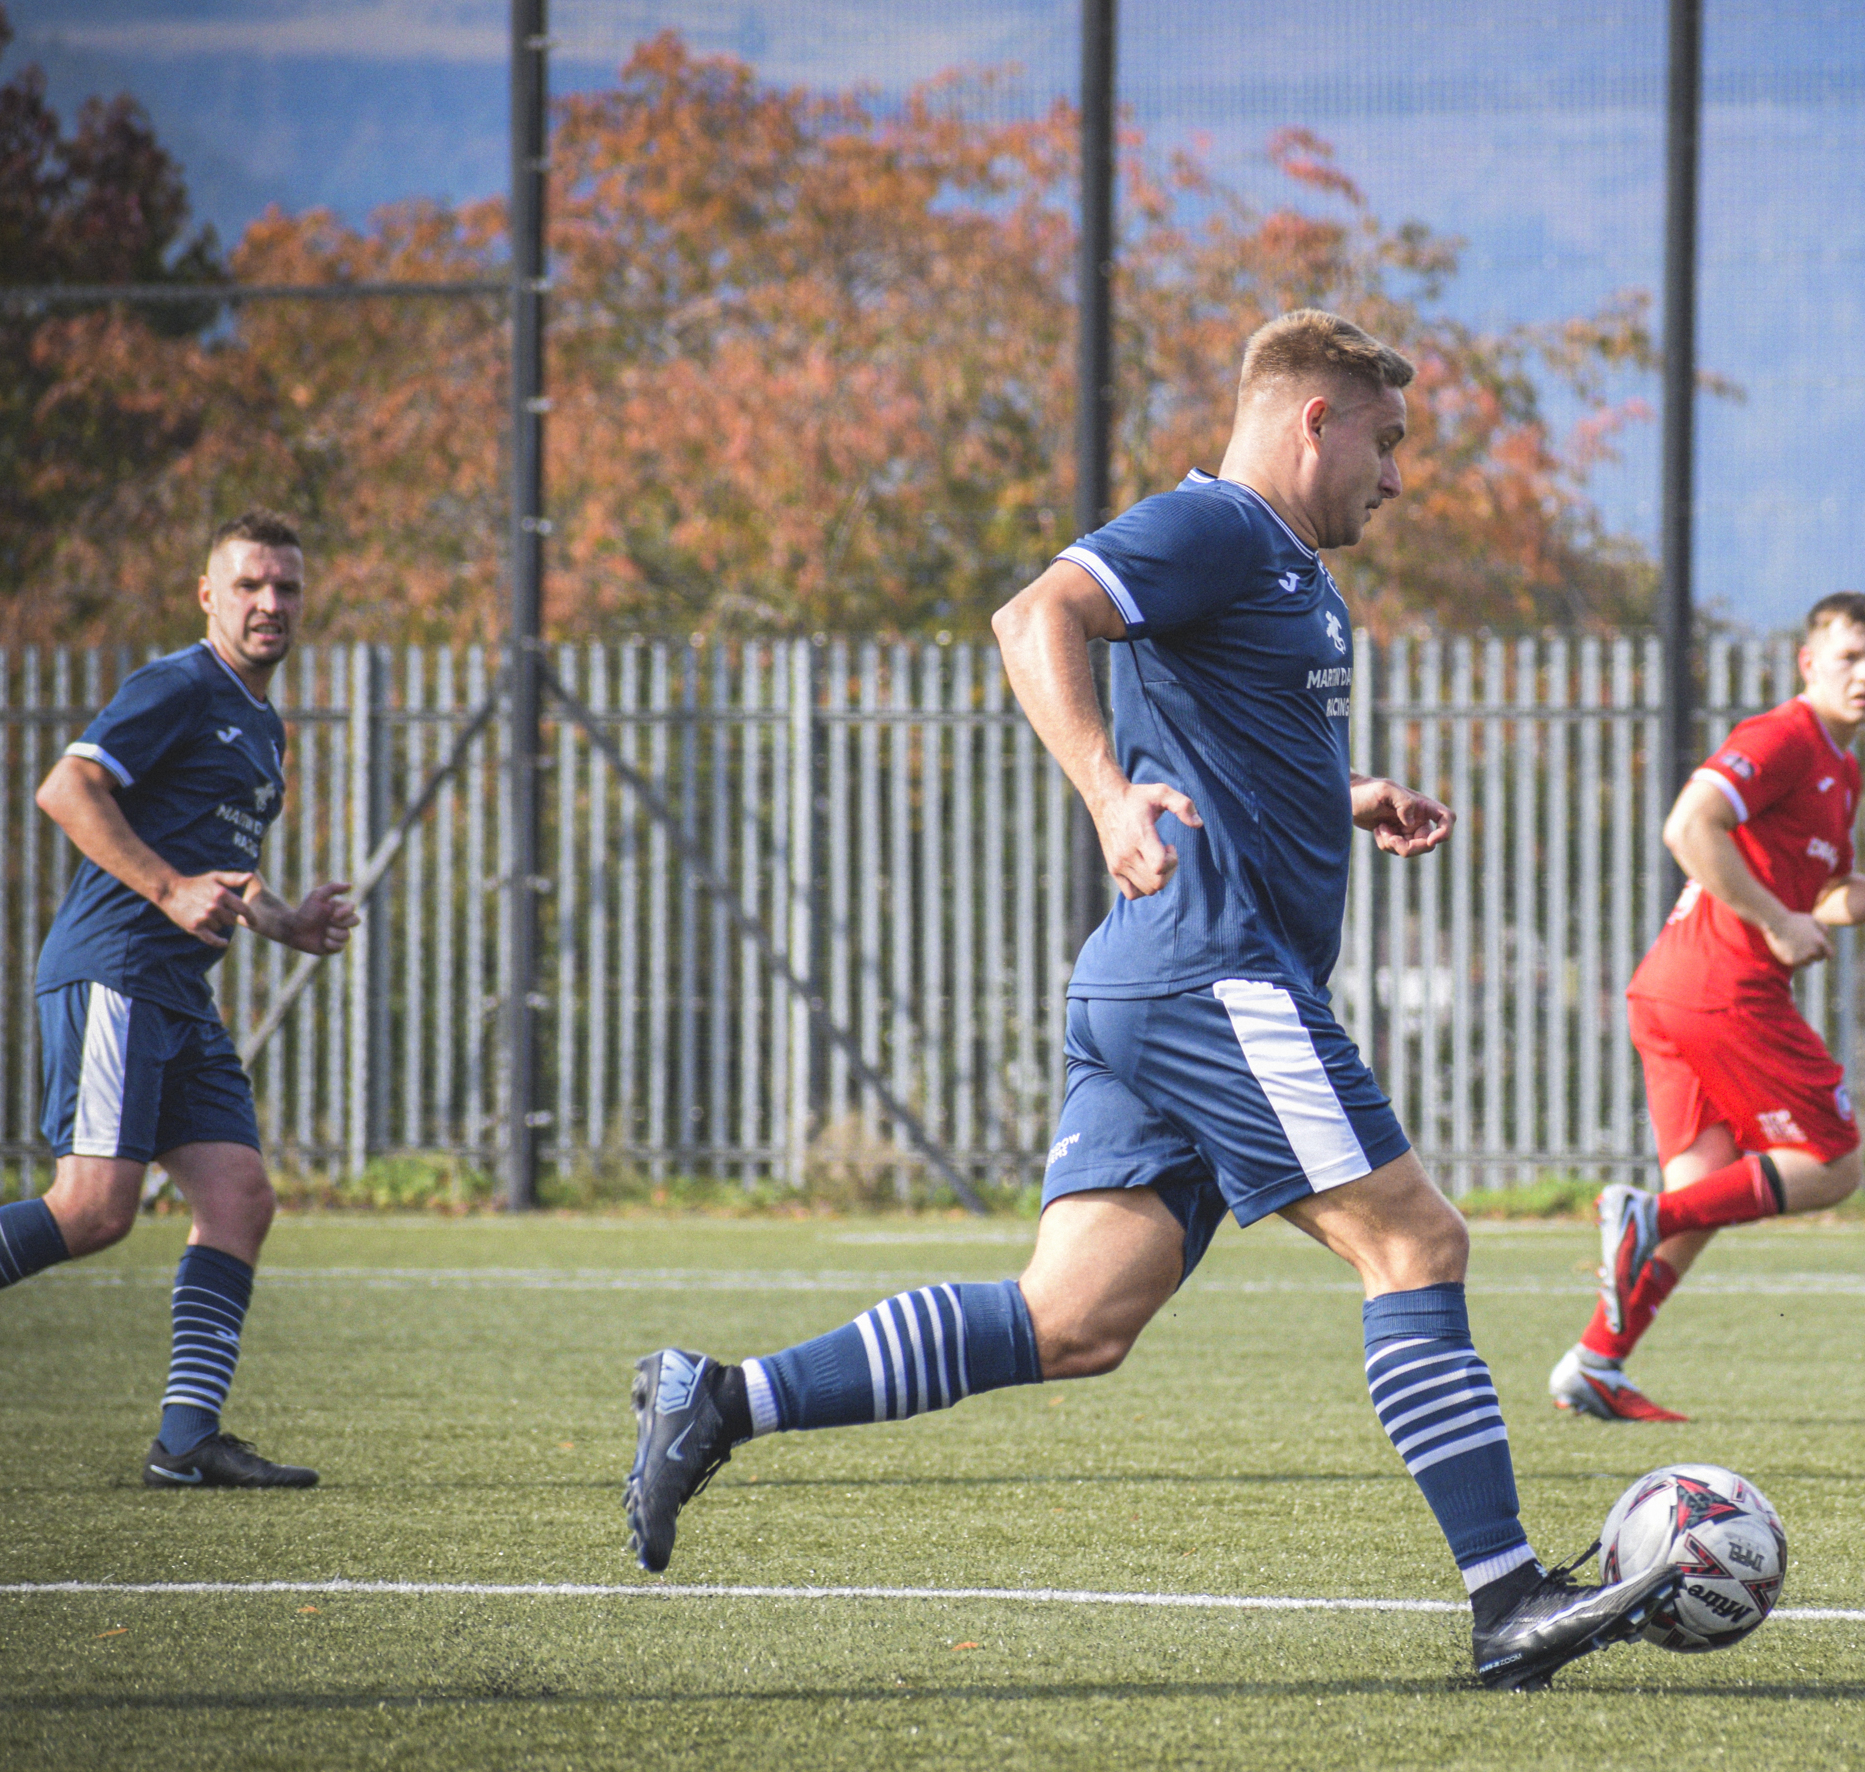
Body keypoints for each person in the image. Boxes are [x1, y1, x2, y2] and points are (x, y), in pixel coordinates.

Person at [619, 311, 1683, 1690]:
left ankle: (720, 1395)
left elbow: (1219, 725)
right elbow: (1034, 615)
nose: (1397, 477)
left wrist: (1340, 797)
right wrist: (1108, 795)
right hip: (1208, 970)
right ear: (1315, 418)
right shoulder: (1224, 528)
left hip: (1158, 980)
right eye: (1388, 441)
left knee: (1075, 1321)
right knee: (1415, 1244)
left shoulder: (1291, 574)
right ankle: (1503, 1601)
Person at [0, 509, 358, 1486]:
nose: (271, 604)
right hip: (118, 969)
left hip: (178, 993)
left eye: (287, 587)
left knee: (238, 1196)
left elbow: (224, 869)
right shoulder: (181, 684)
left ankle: (185, 1442)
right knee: (95, 1208)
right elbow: (67, 787)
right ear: (208, 595)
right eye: (250, 585)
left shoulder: (262, 726)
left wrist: (286, 922)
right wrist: (168, 890)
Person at [1551, 592, 1865, 1423]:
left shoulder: (1840, 769)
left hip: (1670, 990)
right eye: (1850, 656)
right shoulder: (1782, 737)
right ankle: (1642, 1216)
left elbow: (1828, 897)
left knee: (1707, 1189)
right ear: (1808, 662)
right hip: (1721, 990)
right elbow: (1688, 826)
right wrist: (1774, 922)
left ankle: (1595, 1363)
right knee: (1833, 1161)